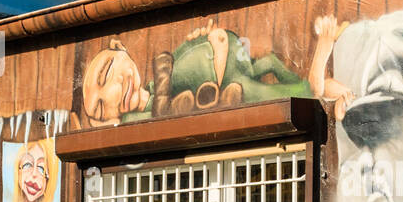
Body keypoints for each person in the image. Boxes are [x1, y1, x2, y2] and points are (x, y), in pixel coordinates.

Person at [80, 18, 352, 125]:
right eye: (100, 107)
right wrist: (100, 122)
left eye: (105, 75)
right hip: (229, 78)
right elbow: (118, 126)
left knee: (275, 73)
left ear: (120, 47)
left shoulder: (157, 80)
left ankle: (321, 85)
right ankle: (338, 90)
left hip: (228, 62)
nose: (113, 94)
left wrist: (204, 40)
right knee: (284, 84)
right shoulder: (145, 108)